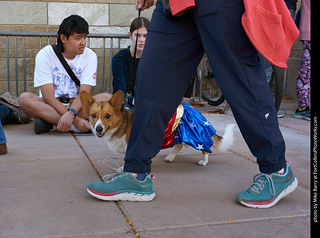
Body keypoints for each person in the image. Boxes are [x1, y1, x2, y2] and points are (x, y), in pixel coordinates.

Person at [86, 0, 298, 208]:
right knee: (151, 80)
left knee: (241, 81)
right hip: (174, 3)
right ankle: (136, 173)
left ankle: (275, 170)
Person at [18, 15, 111, 134]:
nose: (83, 42)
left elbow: (84, 93)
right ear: (63, 38)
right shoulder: (45, 54)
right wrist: (75, 120)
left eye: (84, 37)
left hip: (79, 106)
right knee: (25, 99)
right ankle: (74, 126)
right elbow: (48, 97)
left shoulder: (90, 55)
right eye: (78, 38)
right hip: (52, 106)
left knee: (107, 98)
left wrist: (71, 113)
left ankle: (52, 124)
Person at [112, 17, 150, 109]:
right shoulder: (120, 58)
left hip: (148, 104)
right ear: (130, 35)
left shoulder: (153, 58)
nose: (141, 40)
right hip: (126, 104)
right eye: (137, 35)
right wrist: (133, 100)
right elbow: (119, 90)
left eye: (145, 36)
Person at [294, 0, 311, 120]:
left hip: (307, 31)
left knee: (306, 71)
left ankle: (303, 107)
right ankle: (303, 107)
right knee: (306, 71)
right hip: (308, 31)